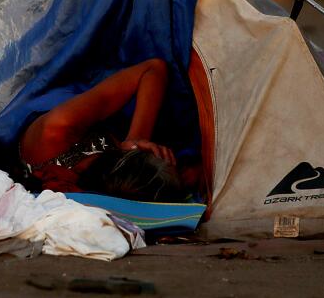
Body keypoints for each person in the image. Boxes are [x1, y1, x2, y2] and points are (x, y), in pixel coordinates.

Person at [16, 58, 200, 201]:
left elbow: (153, 68)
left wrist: (137, 136)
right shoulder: (57, 132)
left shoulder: (60, 130)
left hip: (88, 95)